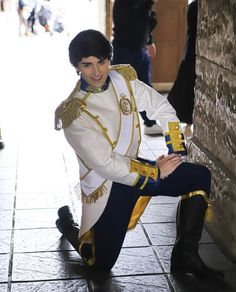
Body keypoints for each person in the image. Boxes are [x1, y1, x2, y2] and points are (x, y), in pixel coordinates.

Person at [54, 29, 223, 278]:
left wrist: (175, 150)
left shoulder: (124, 81)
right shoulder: (74, 112)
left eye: (102, 61)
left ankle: (185, 256)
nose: (98, 71)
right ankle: (68, 226)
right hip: (111, 186)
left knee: (198, 176)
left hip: (138, 169)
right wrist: (156, 171)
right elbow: (105, 164)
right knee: (101, 265)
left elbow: (161, 108)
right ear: (76, 66)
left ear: (108, 59)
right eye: (87, 65)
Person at [111, 0, 162, 136]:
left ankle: (150, 123)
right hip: (124, 50)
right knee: (123, 89)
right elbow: (129, 22)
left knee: (145, 88)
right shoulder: (127, 3)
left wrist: (149, 41)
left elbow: (147, 21)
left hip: (139, 49)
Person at [167, 0, 198, 138]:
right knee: (187, 88)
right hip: (193, 52)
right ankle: (186, 126)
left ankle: (187, 126)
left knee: (186, 87)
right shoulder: (196, 7)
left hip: (191, 51)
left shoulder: (193, 6)